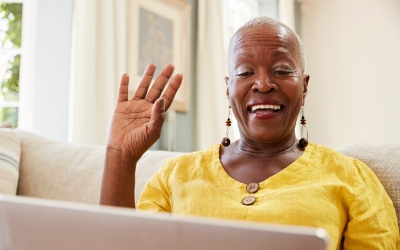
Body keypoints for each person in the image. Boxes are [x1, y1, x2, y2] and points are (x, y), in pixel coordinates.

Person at [100, 16, 399, 249]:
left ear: (304, 87)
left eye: (282, 70)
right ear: (228, 89)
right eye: (245, 73)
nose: (263, 84)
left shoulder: (351, 178)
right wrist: (120, 156)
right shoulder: (174, 176)